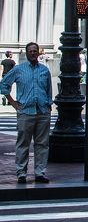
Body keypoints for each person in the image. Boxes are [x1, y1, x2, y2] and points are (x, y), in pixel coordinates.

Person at [0, 42, 52, 184]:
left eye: (35, 51)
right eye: (30, 51)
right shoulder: (18, 70)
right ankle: (21, 173)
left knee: (42, 144)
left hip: (42, 111)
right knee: (23, 143)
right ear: (26, 53)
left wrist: (48, 105)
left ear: (39, 53)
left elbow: (48, 90)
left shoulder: (44, 70)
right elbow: (3, 85)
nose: (33, 53)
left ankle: (39, 173)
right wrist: (13, 103)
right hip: (25, 112)